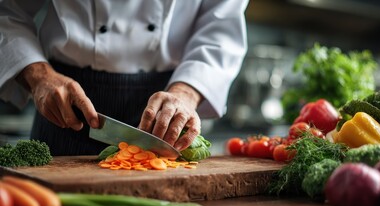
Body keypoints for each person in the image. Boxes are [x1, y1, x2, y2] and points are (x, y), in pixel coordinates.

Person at [0, 0, 248, 156]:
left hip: (163, 115)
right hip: (65, 107)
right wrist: (39, 76)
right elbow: (6, 10)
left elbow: (221, 30)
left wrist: (186, 92)